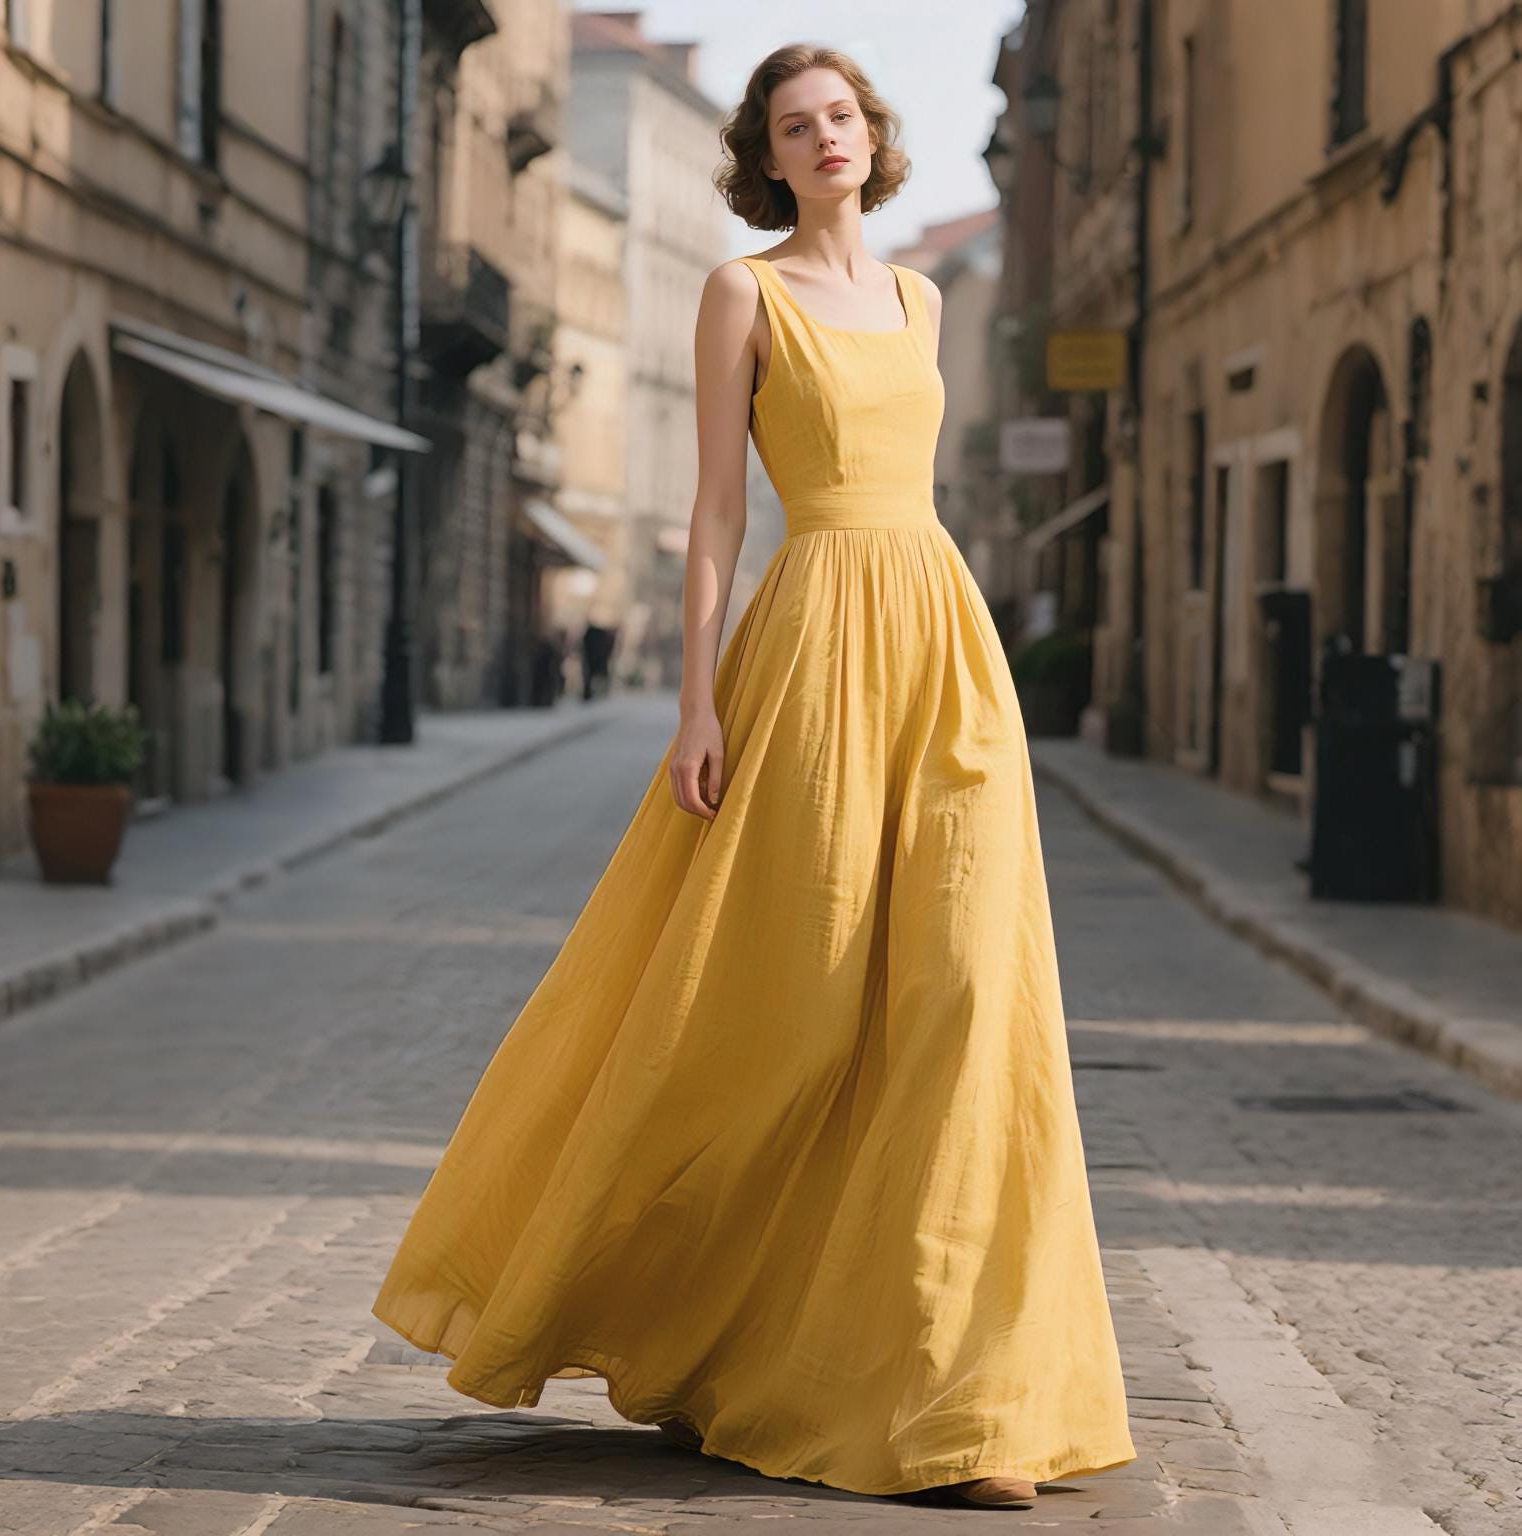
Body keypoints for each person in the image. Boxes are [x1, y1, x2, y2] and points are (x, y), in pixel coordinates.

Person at [371, 42, 1136, 1510]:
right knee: (787, 1008)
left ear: (871, 132)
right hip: (815, 648)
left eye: (842, 114)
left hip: (944, 647)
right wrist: (695, 704)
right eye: (798, 125)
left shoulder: (921, 300)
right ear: (768, 155)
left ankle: (962, 1398)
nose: (827, 137)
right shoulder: (746, 292)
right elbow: (716, 511)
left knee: (969, 997)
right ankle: (708, 1325)